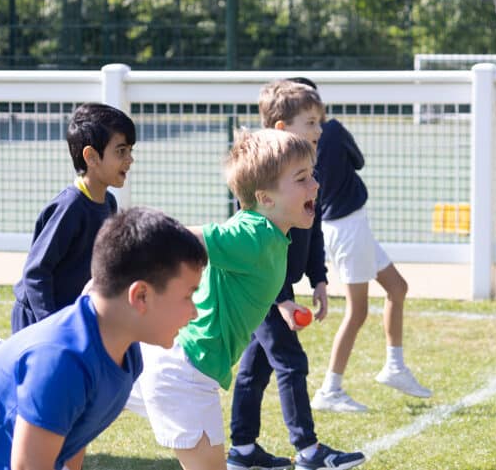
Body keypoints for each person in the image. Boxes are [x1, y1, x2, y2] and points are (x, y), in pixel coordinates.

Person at [126, 128, 363, 470]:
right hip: (184, 372)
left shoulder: (269, 233)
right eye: (301, 179)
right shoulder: (254, 234)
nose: (315, 185)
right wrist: (132, 237)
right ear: (265, 198)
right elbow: (182, 239)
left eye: (312, 175)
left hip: (181, 364)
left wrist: (282, 302)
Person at [0, 206, 208, 470]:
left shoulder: (126, 352)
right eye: (188, 295)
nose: (194, 312)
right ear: (140, 296)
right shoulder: (62, 361)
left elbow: (74, 436)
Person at [0, 102, 135, 385]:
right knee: (32, 386)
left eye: (130, 151)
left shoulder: (108, 204)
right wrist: (49, 324)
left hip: (67, 318)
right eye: (121, 151)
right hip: (40, 315)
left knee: (58, 386)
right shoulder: (70, 208)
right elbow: (36, 272)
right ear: (91, 156)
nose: (129, 160)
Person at [226, 80, 365, 470]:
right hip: (263, 291)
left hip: (280, 290)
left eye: (319, 121)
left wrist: (319, 278)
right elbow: (258, 249)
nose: (320, 129)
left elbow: (313, 228)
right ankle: (308, 450)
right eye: (311, 122)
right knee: (291, 361)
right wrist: (283, 299)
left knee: (255, 367)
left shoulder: (306, 174)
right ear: (282, 129)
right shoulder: (264, 180)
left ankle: (242, 450)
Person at [291, 78, 432, 413]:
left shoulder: (296, 150)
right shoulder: (334, 131)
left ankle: (394, 366)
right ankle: (330, 389)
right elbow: (358, 161)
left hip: (350, 225)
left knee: (397, 288)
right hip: (346, 228)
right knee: (357, 311)